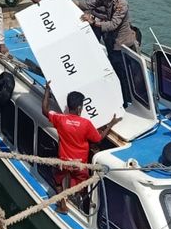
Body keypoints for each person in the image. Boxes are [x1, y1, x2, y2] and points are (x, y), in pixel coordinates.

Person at [41, 81, 120, 213]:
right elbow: (98, 139)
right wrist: (110, 124)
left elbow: (44, 110)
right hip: (80, 165)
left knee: (58, 180)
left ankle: (62, 205)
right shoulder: (86, 124)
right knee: (84, 187)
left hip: (63, 162)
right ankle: (84, 209)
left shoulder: (60, 119)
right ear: (79, 108)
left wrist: (47, 90)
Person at [81, 0, 137, 107]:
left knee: (124, 74)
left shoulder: (121, 3)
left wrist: (94, 22)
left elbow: (113, 24)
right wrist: (70, 1)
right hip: (112, 43)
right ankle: (118, 96)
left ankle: (127, 101)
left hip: (123, 44)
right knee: (114, 70)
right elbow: (90, 4)